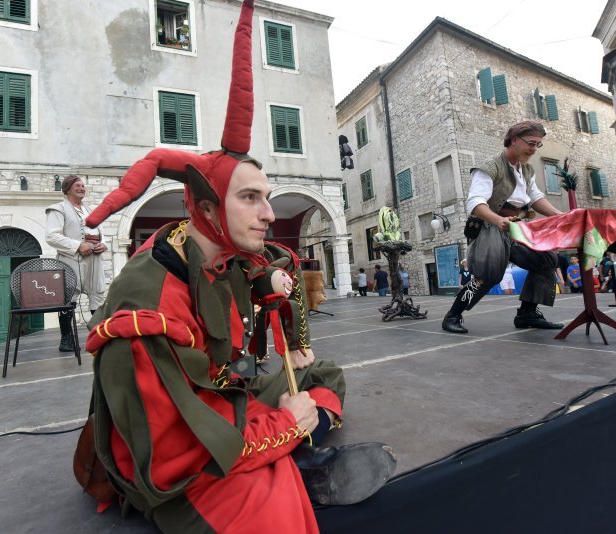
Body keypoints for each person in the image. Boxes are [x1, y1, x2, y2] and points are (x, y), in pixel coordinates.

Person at [80, 2, 395, 531]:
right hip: (177, 452)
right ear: (204, 209)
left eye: (267, 197)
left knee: (322, 375)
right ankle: (293, 458)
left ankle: (288, 452)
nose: (269, 215)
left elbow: (280, 268)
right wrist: (286, 427)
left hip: (223, 397)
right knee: (266, 509)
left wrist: (286, 309)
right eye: (250, 198)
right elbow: (174, 453)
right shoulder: (148, 302)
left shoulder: (217, 254)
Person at [442, 121, 564, 334]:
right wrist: (498, 220)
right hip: (490, 227)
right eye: (531, 143)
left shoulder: (526, 169)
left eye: (538, 145)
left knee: (546, 260)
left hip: (515, 226)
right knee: (488, 275)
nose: (534, 149)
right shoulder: (490, 167)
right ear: (514, 139)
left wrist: (560, 216)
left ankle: (527, 313)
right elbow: (475, 203)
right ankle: (453, 315)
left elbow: (535, 197)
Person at [45, 175, 107, 352]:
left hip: (94, 259)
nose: (82, 188)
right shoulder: (58, 209)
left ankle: (100, 336)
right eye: (77, 185)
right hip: (71, 259)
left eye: (83, 186)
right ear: (67, 189)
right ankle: (66, 340)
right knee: (69, 297)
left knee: (97, 294)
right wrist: (78, 245)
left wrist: (104, 245)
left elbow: (99, 233)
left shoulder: (89, 211)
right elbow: (51, 236)